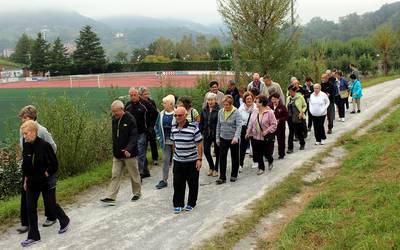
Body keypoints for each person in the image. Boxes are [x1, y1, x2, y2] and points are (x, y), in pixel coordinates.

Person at [20, 120, 70, 247]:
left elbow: (54, 164)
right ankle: (33, 236)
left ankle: (64, 220)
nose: (24, 136)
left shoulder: (45, 146)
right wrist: (26, 179)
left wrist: (46, 174)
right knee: (30, 207)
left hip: (45, 181)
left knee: (50, 204)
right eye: (23, 134)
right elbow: (25, 164)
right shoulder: (26, 146)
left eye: (26, 133)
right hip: (31, 182)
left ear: (33, 132)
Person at [17, 105, 57, 234]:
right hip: (29, 168)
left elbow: (52, 147)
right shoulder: (22, 130)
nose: (23, 121)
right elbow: (23, 146)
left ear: (33, 118)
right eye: (22, 119)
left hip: (42, 168)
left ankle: (51, 217)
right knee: (26, 194)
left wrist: (46, 164)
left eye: (25, 118)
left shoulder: (42, 131)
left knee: (47, 194)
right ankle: (26, 223)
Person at [101, 100, 141, 204]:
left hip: (129, 154)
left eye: (115, 111)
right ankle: (111, 196)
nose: (114, 114)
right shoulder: (114, 119)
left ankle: (137, 193)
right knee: (115, 174)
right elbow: (115, 137)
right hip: (117, 154)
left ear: (122, 109)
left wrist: (128, 149)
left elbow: (133, 136)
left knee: (134, 174)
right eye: (113, 112)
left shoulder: (130, 119)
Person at [170, 106, 203, 214]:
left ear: (185, 115)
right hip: (178, 161)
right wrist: (175, 155)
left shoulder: (193, 127)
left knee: (193, 184)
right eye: (176, 115)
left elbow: (199, 143)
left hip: (192, 161)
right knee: (177, 183)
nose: (177, 117)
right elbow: (173, 143)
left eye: (180, 115)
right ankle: (178, 204)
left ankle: (191, 203)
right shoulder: (173, 127)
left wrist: (199, 159)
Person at [125, 87, 158, 179]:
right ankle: (146, 171)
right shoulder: (127, 105)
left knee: (140, 152)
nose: (133, 97)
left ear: (138, 94)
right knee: (136, 152)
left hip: (142, 132)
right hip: (132, 133)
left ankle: (140, 173)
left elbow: (155, 114)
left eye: (135, 95)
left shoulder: (145, 104)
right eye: (131, 95)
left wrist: (151, 126)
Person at [246, 95, 277, 175]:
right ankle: (261, 168)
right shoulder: (254, 111)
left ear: (261, 102)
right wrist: (248, 132)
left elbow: (274, 124)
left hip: (265, 137)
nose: (255, 102)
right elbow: (250, 123)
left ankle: (270, 160)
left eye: (256, 101)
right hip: (255, 136)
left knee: (266, 153)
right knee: (258, 153)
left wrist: (266, 131)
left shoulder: (269, 112)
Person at [216, 95, 242, 184]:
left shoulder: (236, 112)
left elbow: (239, 126)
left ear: (231, 104)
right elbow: (218, 125)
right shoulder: (220, 112)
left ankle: (234, 174)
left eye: (227, 105)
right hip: (223, 137)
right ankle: (222, 177)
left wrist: (236, 137)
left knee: (235, 157)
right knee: (222, 157)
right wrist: (217, 138)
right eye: (224, 105)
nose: (226, 106)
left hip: (233, 138)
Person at [154, 95, 176, 189]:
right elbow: (157, 126)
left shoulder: (177, 113)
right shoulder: (162, 114)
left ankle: (178, 179)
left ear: (171, 104)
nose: (163, 105)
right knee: (165, 160)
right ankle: (164, 180)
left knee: (177, 160)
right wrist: (159, 137)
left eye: (165, 103)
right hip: (165, 140)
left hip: (175, 141)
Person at [199, 92, 220, 177]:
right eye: (208, 100)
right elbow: (201, 122)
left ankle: (216, 168)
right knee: (206, 151)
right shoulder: (204, 110)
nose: (210, 102)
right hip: (206, 133)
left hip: (216, 133)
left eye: (212, 100)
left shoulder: (219, 110)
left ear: (215, 100)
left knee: (218, 152)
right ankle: (211, 166)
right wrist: (200, 132)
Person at [139, 86, 159, 166]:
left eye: (147, 93)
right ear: (140, 94)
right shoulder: (139, 103)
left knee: (153, 142)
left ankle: (155, 158)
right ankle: (144, 160)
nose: (147, 95)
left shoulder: (151, 102)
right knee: (143, 144)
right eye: (145, 94)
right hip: (143, 126)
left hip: (151, 125)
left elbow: (156, 113)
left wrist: (154, 124)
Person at [238, 91, 257, 171]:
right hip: (244, 128)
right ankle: (240, 164)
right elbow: (239, 120)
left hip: (254, 128)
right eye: (247, 99)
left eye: (250, 98)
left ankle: (255, 161)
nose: (249, 100)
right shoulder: (241, 108)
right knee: (243, 147)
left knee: (255, 145)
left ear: (253, 99)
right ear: (244, 100)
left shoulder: (256, 107)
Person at [286, 85, 307, 153]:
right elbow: (287, 107)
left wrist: (302, 112)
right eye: (289, 92)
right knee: (291, 133)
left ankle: (302, 143)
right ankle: (290, 148)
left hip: (298, 117)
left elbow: (305, 106)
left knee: (299, 131)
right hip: (290, 118)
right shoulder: (288, 98)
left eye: (291, 91)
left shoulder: (300, 97)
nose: (290, 93)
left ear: (295, 91)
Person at [268, 93, 288, 159]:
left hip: (280, 127)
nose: (274, 101)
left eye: (275, 99)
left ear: (278, 99)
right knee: (270, 141)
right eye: (272, 99)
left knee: (281, 140)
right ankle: (269, 154)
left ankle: (281, 154)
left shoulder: (282, 106)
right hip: (271, 127)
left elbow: (286, 116)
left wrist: (279, 120)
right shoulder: (269, 106)